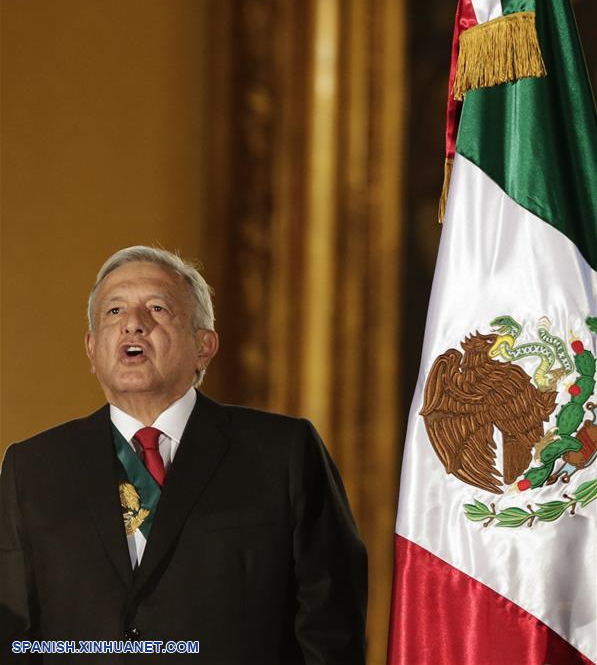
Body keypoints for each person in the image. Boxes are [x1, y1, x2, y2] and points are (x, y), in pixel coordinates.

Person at [0, 246, 367, 664]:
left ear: (204, 345)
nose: (133, 325)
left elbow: (331, 630)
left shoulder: (284, 453)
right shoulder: (32, 468)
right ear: (91, 347)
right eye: (114, 311)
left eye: (157, 309)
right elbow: (13, 634)